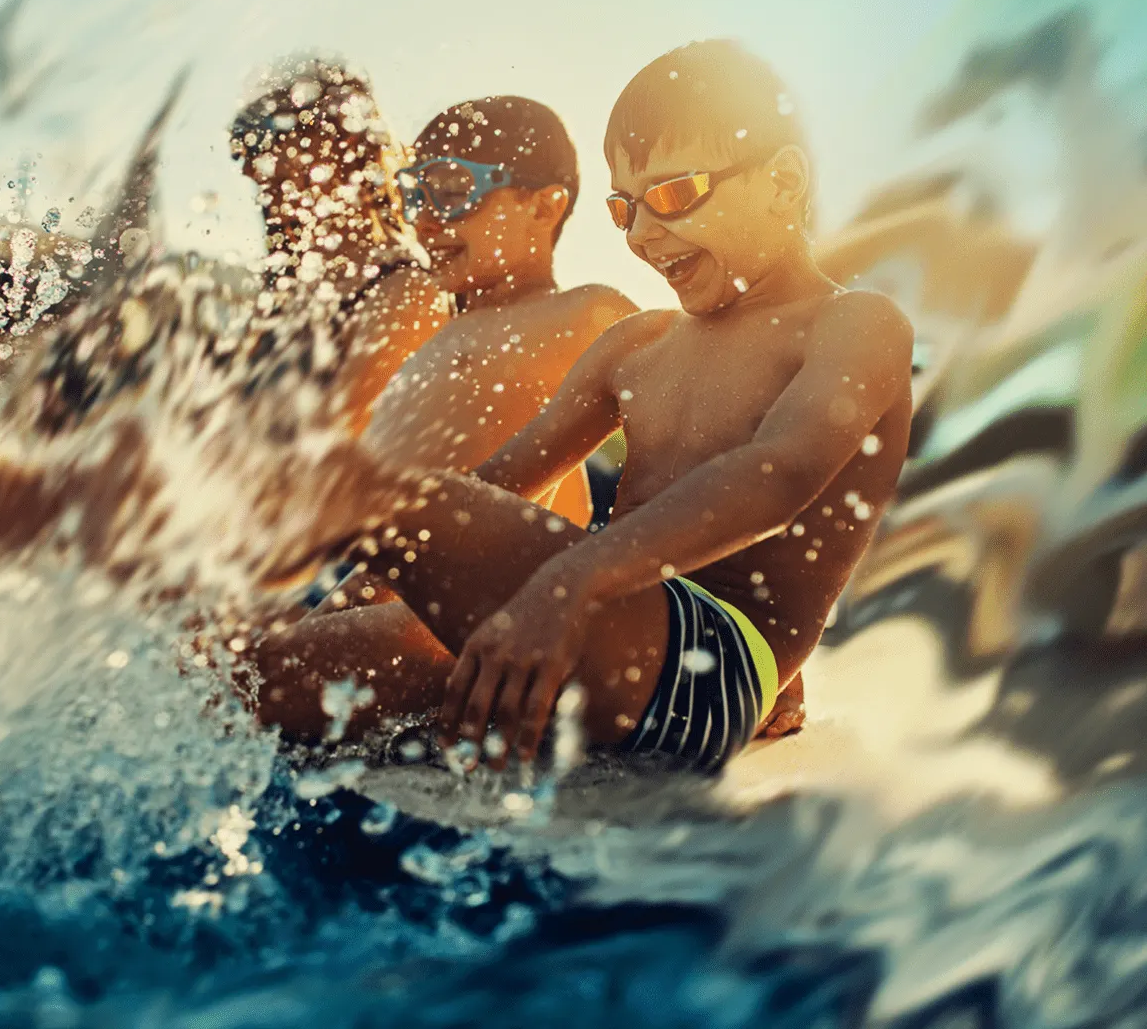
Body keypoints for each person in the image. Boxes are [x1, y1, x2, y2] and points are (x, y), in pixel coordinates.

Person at [252, 40, 914, 774]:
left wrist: (564, 584)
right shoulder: (639, 345)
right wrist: (341, 616)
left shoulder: (853, 323)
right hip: (605, 632)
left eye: (671, 195)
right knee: (257, 677)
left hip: (710, 666)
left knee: (365, 488)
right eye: (623, 207)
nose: (640, 234)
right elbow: (494, 489)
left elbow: (779, 473)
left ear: (782, 179)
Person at [360, 96, 636, 528]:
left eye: (452, 192)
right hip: (373, 577)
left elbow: (691, 398)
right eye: (414, 195)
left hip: (434, 582)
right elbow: (559, 482)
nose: (424, 221)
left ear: (543, 208)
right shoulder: (444, 330)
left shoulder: (576, 315)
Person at [229, 58, 450, 434]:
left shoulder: (402, 294)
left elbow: (343, 460)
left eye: (270, 132)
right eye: (243, 143)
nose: (251, 166)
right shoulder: (290, 284)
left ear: (343, 137)